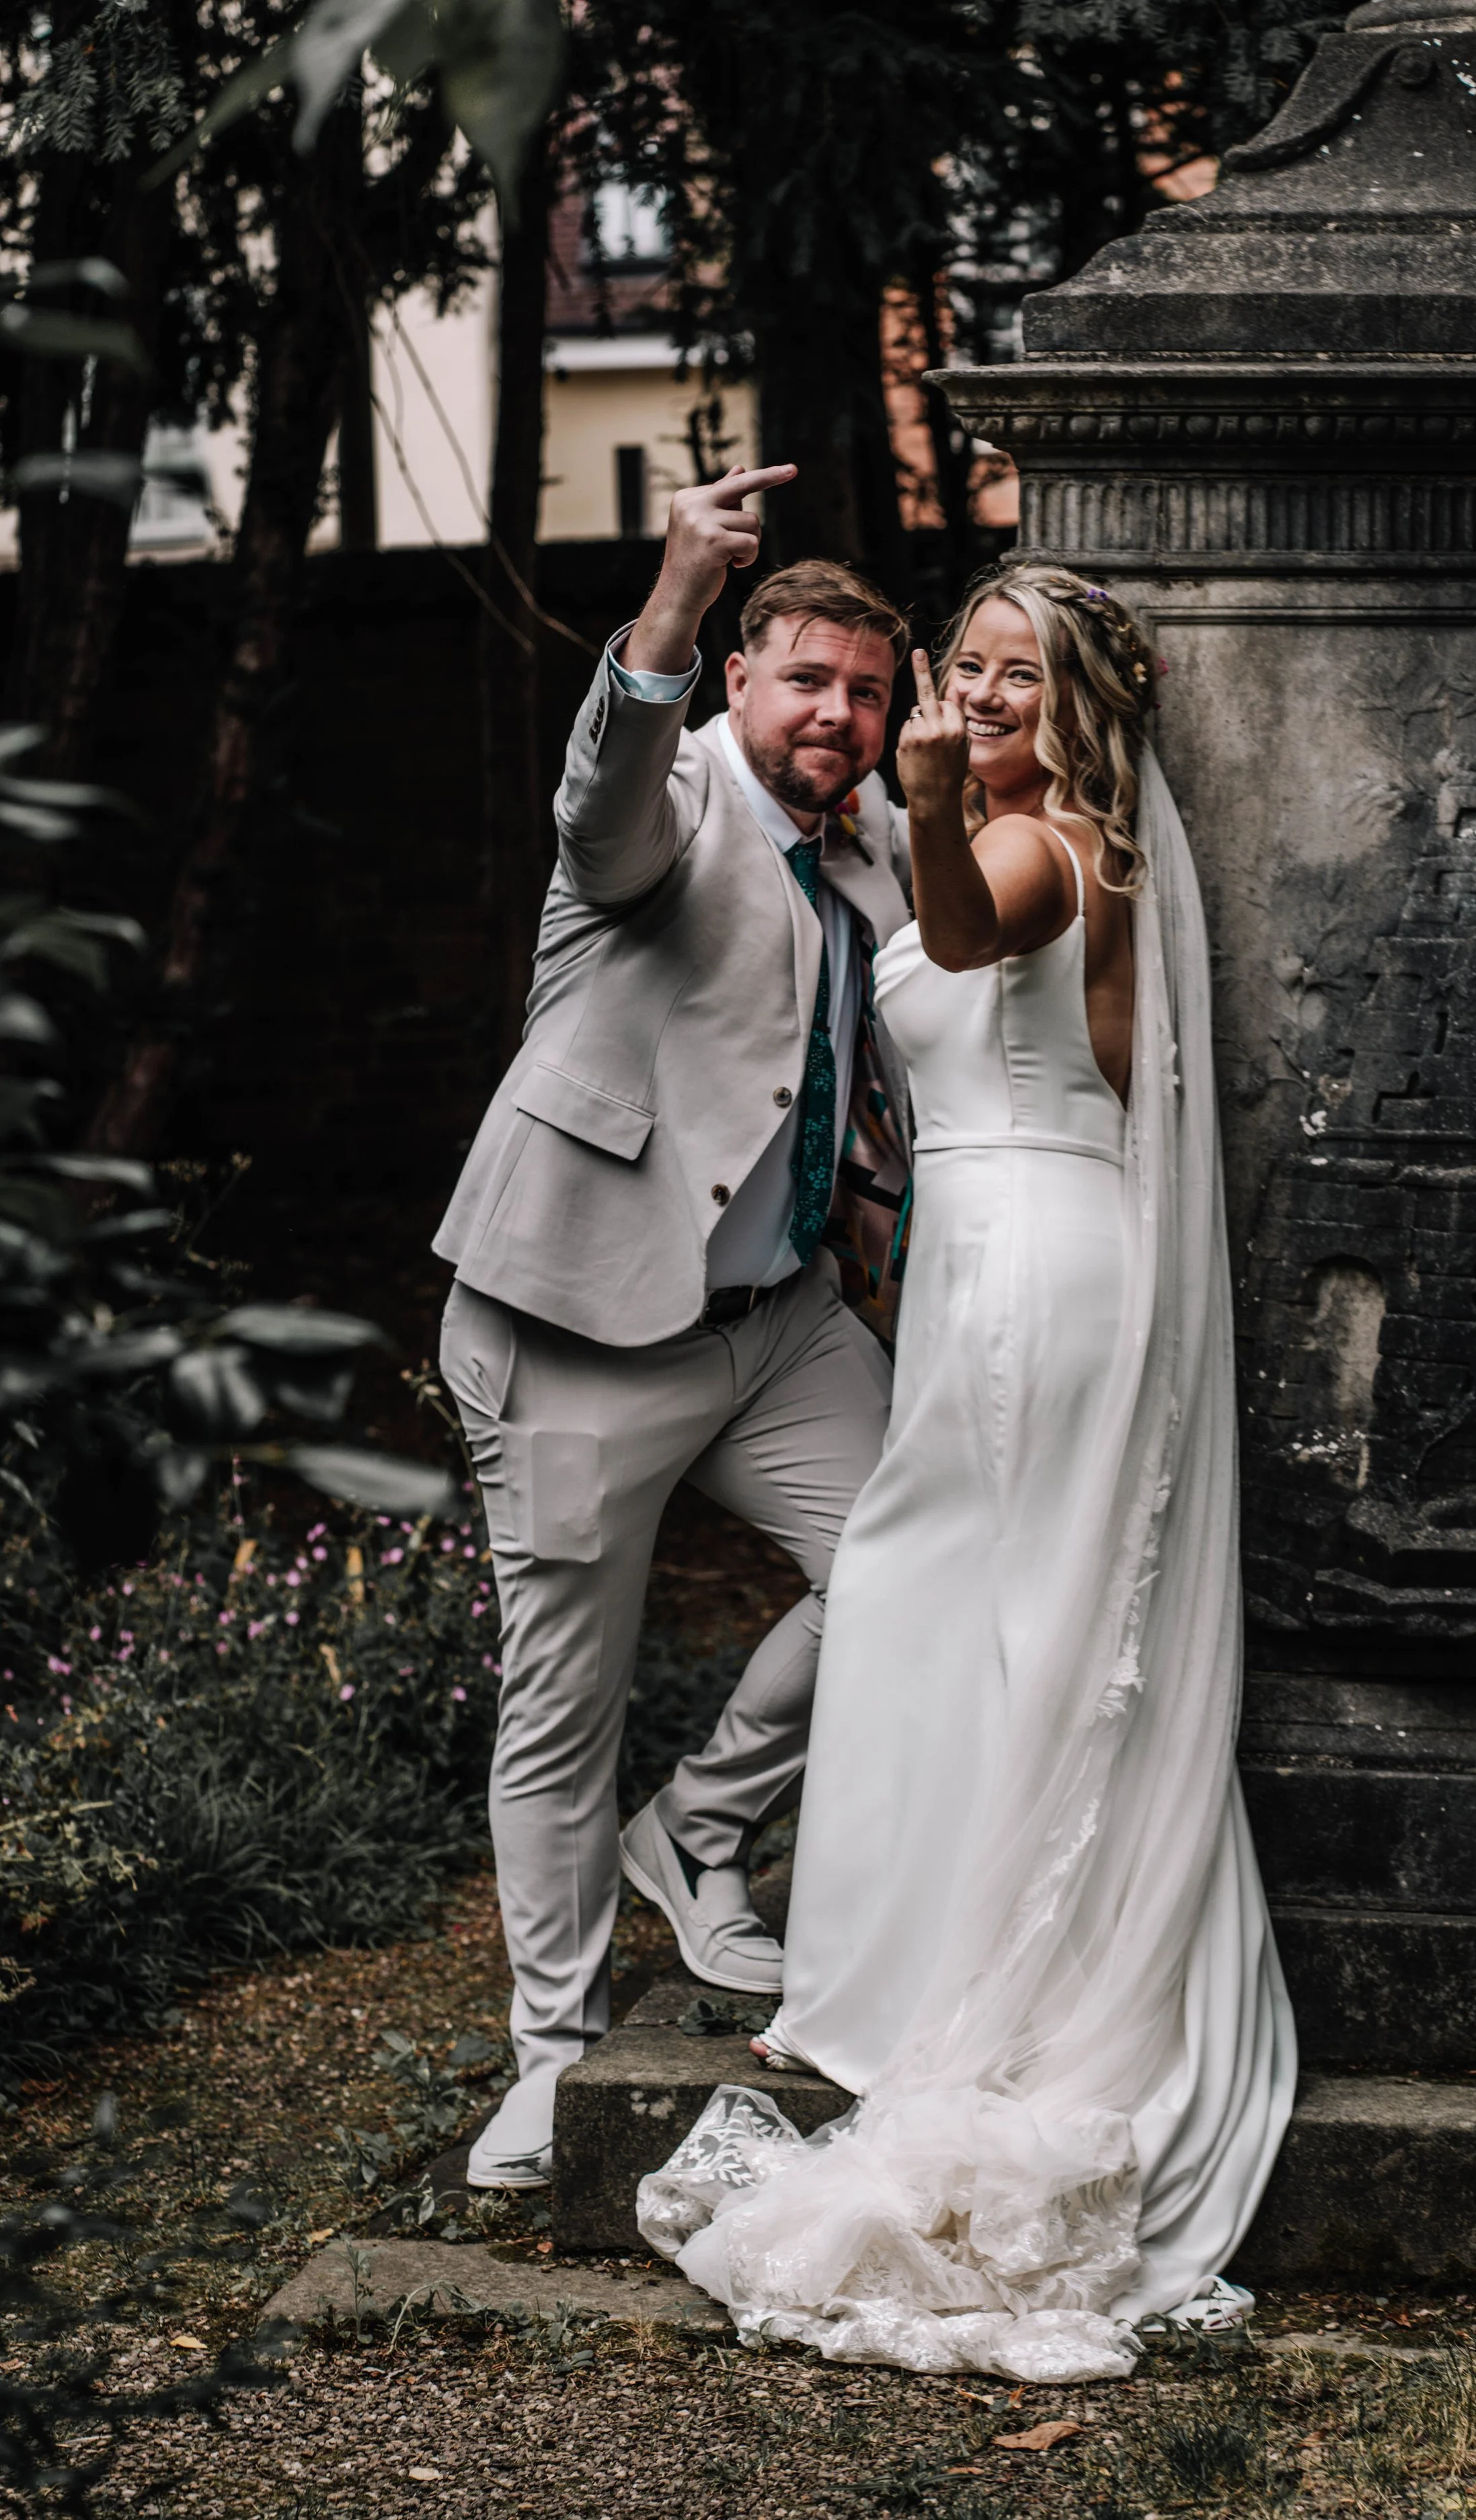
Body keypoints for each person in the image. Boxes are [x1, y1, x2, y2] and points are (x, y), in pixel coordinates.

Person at [638, 563, 1297, 2382]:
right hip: (979, 1262)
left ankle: (951, 1999)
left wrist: (927, 789)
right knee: (968, 1612)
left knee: (977, 1610)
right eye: (971, 663)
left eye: (1020, 672)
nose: (986, 690)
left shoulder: (1050, 848)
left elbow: (968, 929)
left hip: (1036, 1270)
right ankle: (902, 1982)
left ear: (1078, 701)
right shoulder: (997, 827)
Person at [434, 465, 915, 2190]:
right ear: (739, 681)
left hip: (775, 1324)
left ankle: (698, 1821)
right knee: (561, 1707)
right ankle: (551, 2063)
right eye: (805, 678)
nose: (837, 713)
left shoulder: (873, 840)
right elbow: (597, 803)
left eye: (866, 687)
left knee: (923, 1570)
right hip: (575, 1320)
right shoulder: (671, 801)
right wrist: (666, 604)